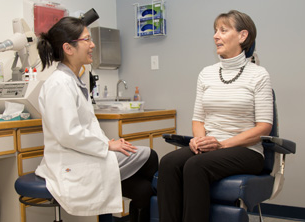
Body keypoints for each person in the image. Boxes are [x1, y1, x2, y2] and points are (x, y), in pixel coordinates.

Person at [35, 16, 158, 222]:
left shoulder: (73, 80)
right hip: (72, 161)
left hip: (85, 154)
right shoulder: (59, 84)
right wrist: (108, 145)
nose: (92, 45)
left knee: (144, 190)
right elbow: (69, 134)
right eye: (87, 40)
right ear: (68, 48)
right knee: (150, 156)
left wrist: (107, 145)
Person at [157, 10, 273, 222]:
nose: (215, 36)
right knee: (168, 162)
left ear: (242, 36)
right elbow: (198, 119)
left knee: (195, 165)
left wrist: (222, 144)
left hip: (246, 150)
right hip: (212, 146)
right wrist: (200, 140)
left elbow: (264, 127)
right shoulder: (206, 73)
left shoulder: (259, 75)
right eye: (215, 31)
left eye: (223, 30)